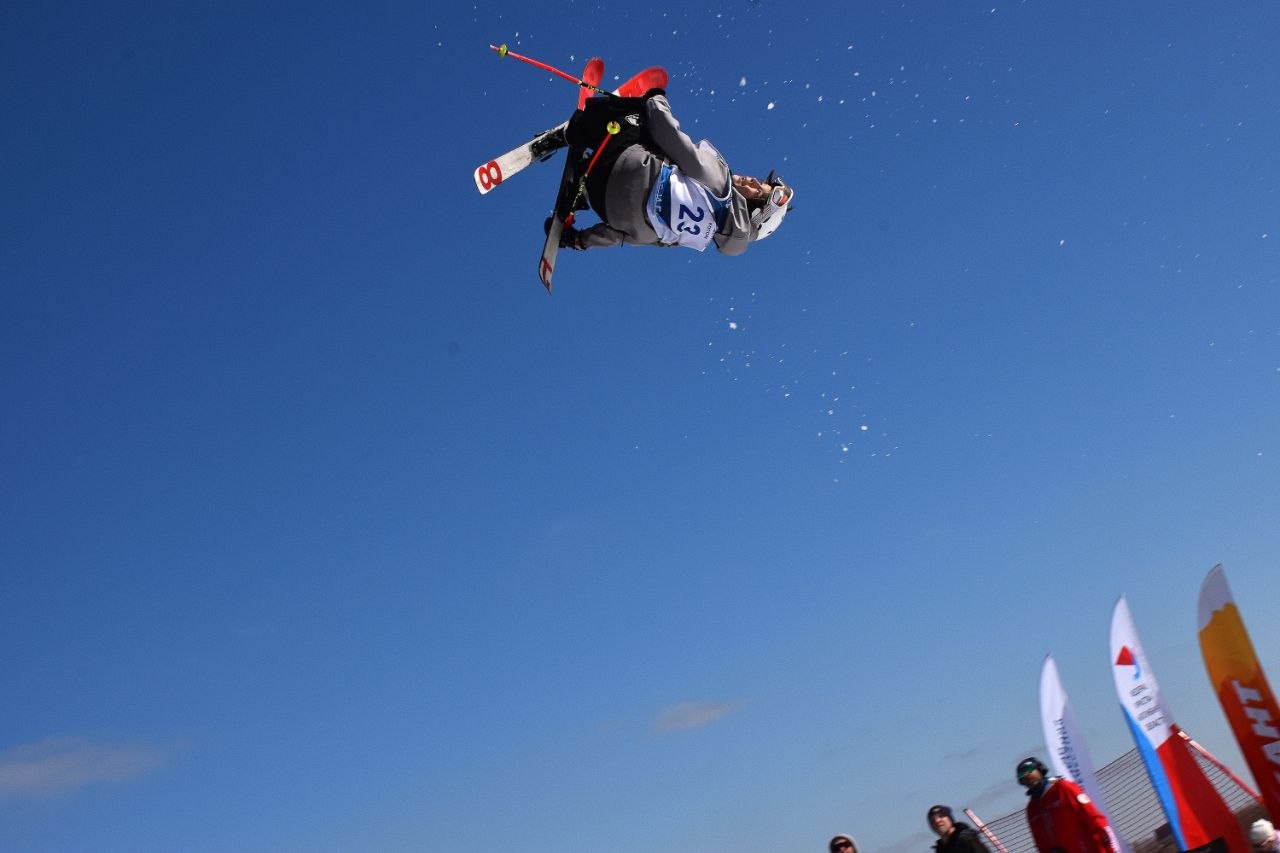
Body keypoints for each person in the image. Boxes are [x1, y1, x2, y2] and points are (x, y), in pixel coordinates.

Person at [547, 89, 794, 254]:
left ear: (752, 210)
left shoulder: (721, 185)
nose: (751, 180)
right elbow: (632, 237)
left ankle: (575, 132)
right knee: (650, 206)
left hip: (619, 163)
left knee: (635, 115)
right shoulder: (697, 238)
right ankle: (583, 184)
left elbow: (672, 139)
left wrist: (655, 100)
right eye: (758, 181)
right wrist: (579, 240)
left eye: (755, 189)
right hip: (604, 203)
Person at [1017, 757, 1117, 853]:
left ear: (1040, 769)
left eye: (1029, 771)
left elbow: (1095, 819)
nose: (1026, 776)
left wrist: (1110, 848)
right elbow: (1041, 845)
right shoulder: (1032, 809)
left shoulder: (1063, 788)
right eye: (1021, 776)